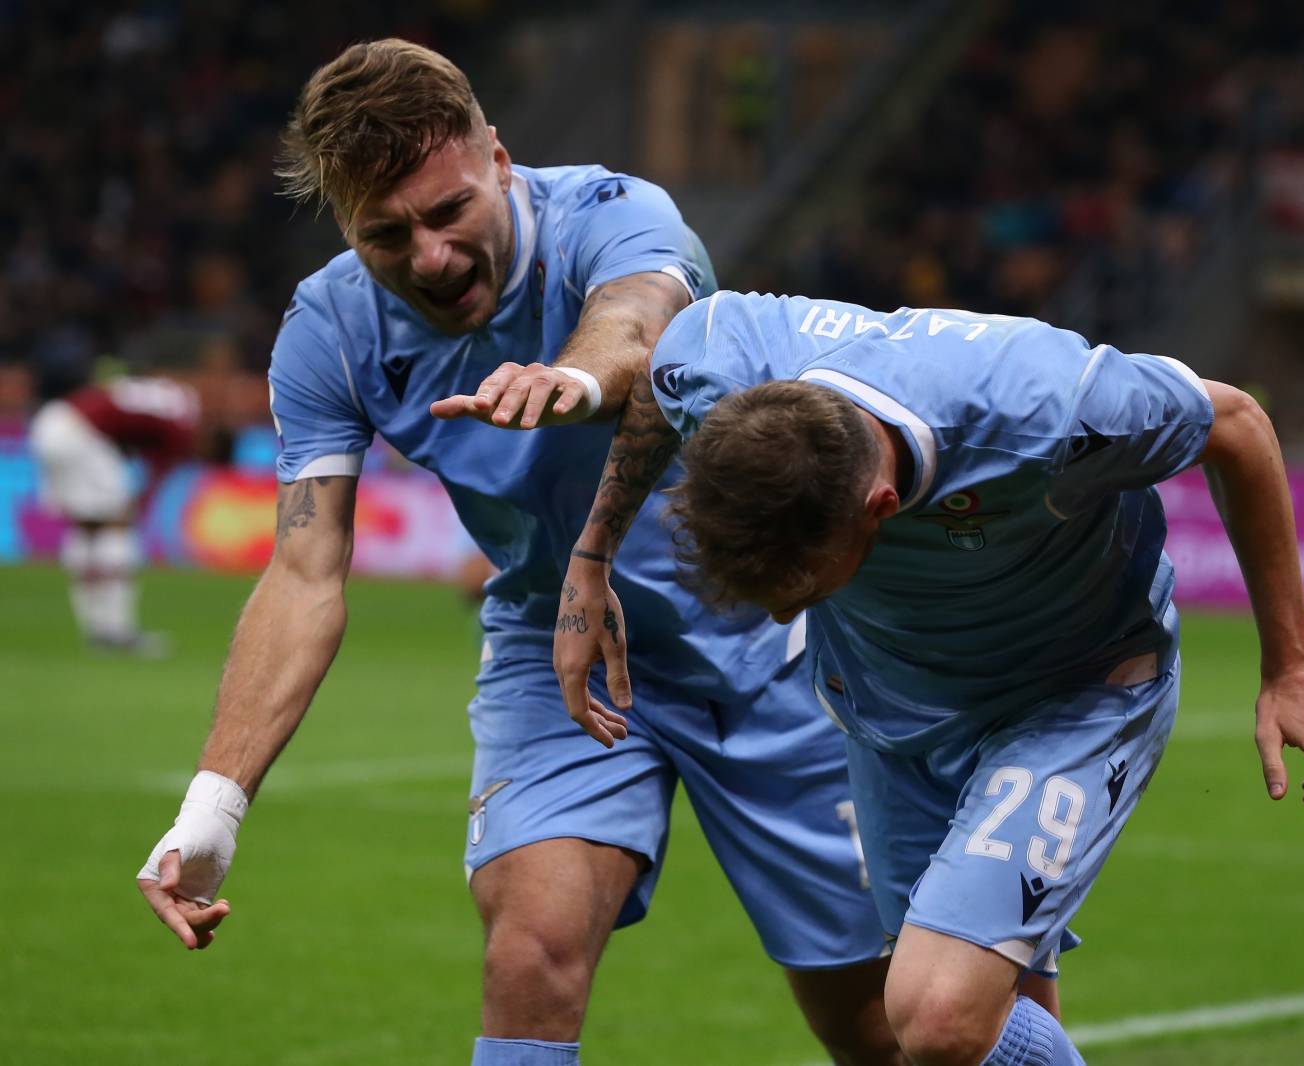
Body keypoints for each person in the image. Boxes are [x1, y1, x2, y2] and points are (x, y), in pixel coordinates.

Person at [135, 42, 900, 1066]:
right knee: (530, 950)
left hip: (772, 640)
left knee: (886, 1028)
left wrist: (571, 383)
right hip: (556, 646)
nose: (431, 256)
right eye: (385, 235)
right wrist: (212, 811)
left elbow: (632, 321)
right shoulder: (329, 330)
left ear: (498, 158)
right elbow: (304, 572)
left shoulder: (614, 215)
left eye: (450, 213)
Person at [539, 292, 1304, 1066]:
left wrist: (1292, 665)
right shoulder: (717, 360)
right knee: (981, 1023)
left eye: (806, 589)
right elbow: (655, 376)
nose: (782, 611)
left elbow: (1239, 424)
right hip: (885, 714)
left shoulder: (1048, 411)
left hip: (1072, 692)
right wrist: (591, 558)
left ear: (882, 506)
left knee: (936, 1018)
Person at [29, 371, 198, 655]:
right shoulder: (182, 431)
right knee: (116, 526)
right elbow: (155, 479)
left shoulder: (173, 395)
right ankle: (118, 631)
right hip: (82, 433)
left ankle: (96, 627)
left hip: (51, 421)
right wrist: (136, 508)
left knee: (87, 526)